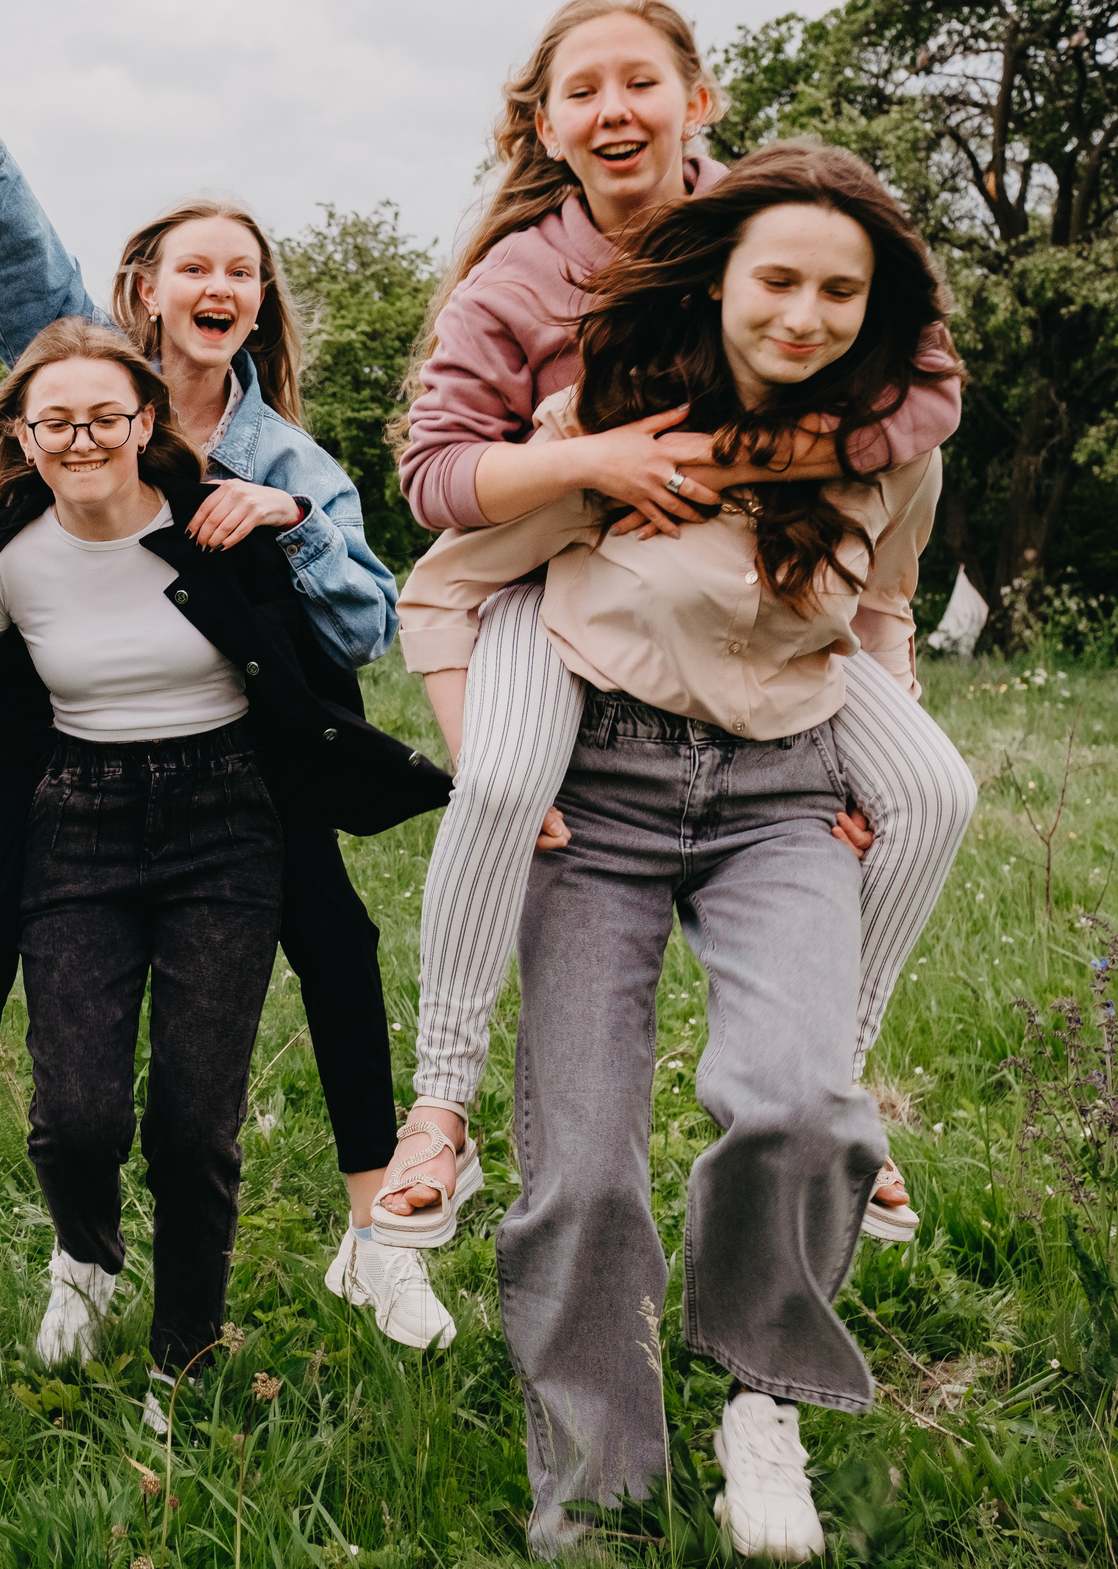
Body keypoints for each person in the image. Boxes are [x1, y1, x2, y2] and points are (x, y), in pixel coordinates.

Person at [0, 0, 455, 1362]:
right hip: (65, 753)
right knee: (27, 1016)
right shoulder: (78, 368)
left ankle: (374, 1240)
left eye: (244, 271)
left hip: (247, 760)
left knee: (336, 946)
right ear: (141, 289)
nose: (224, 284)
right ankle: (50, 1251)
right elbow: (5, 226)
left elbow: (367, 619)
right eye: (197, 263)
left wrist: (287, 527)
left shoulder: (285, 451)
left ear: (256, 302)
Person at [396, 141, 959, 1559]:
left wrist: (888, 755)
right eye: (778, 277)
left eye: (843, 289)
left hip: (787, 796)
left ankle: (761, 1398)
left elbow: (883, 610)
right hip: (607, 797)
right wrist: (495, 765)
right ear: (718, 281)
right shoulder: (613, 428)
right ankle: (599, 1484)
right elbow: (451, 576)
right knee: (581, 1173)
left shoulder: (898, 443)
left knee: (805, 1109)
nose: (806, 313)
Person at [380, 0, 971, 1256]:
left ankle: (838, 1089)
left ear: (695, 100)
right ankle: (439, 1099)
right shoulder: (522, 280)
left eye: (639, 82)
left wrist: (781, 446)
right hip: (560, 563)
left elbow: (922, 377)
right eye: (579, 91)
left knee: (931, 790)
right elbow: (433, 484)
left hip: (768, 584)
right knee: (494, 784)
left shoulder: (764, 221)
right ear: (541, 125)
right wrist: (589, 461)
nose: (614, 111)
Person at [0, 318, 450, 1430]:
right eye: (58, 421)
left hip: (226, 819)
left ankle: (181, 1355)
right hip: (75, 825)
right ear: (24, 436)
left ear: (145, 424)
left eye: (106, 416)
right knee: (76, 1114)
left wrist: (289, 515)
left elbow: (321, 659)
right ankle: (84, 1262)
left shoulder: (215, 529)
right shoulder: (1, 563)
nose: (83, 437)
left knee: (195, 1122)